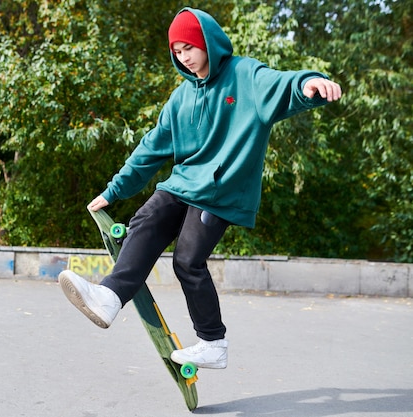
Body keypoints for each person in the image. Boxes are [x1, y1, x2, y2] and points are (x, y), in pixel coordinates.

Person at [59, 7, 342, 370]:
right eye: (176, 51)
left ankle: (213, 343)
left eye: (188, 47)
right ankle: (110, 297)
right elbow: (150, 149)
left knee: (187, 260)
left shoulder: (243, 74)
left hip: (222, 191)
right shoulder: (180, 99)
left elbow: (281, 85)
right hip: (185, 183)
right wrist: (114, 191)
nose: (184, 57)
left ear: (206, 42)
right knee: (147, 217)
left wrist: (308, 85)